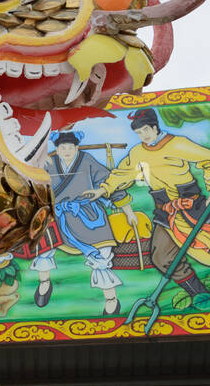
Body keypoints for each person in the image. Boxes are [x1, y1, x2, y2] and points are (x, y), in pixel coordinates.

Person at [83, 108, 210, 303]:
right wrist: (102, 190)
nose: (143, 136)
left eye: (145, 131)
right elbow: (122, 174)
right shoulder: (137, 152)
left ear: (154, 127)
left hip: (193, 208)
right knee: (162, 257)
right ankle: (202, 297)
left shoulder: (178, 144)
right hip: (165, 213)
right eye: (138, 133)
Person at [15, 131, 135, 315]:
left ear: (77, 147)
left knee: (102, 255)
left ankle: (111, 298)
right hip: (58, 215)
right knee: (43, 245)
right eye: (63, 147)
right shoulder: (49, 163)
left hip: (88, 215)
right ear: (58, 148)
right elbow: (33, 188)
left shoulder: (87, 161)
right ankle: (44, 283)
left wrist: (128, 211)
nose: (67, 151)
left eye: (71, 147)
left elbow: (109, 183)